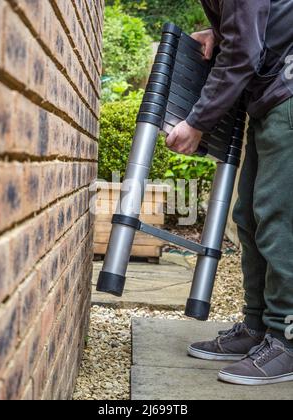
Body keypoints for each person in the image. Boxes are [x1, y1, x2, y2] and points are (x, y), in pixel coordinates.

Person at [166, 0, 293, 386]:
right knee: (250, 216)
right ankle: (258, 328)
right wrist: (218, 34)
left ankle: (286, 339)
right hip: (271, 96)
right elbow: (252, 29)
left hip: (286, 95)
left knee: (279, 218)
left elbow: (244, 53)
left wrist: (197, 123)